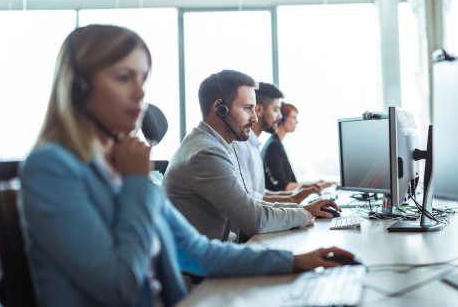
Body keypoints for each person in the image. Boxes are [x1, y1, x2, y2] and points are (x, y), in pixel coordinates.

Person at [18, 25, 354, 307]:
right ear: (78, 89)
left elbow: (197, 251)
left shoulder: (120, 167)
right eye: (124, 78)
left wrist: (295, 261)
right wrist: (137, 183)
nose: (140, 94)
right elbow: (118, 287)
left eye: (143, 79)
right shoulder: (51, 168)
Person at [161, 70, 340, 243]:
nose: (255, 118)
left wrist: (301, 208)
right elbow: (255, 220)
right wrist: (302, 214)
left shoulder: (208, 144)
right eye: (248, 108)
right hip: (202, 269)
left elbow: (248, 204)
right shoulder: (206, 154)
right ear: (220, 109)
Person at [233, 82, 321, 203]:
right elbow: (248, 199)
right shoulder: (241, 146)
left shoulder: (255, 145)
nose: (280, 117)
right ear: (258, 109)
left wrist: (295, 197)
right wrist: (299, 208)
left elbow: (260, 193)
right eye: (276, 110)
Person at [262, 102, 334, 192]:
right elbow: (283, 187)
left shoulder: (277, 144)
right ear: (282, 118)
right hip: (279, 202)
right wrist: (315, 186)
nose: (297, 121)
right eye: (294, 117)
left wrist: (315, 184)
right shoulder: (273, 146)